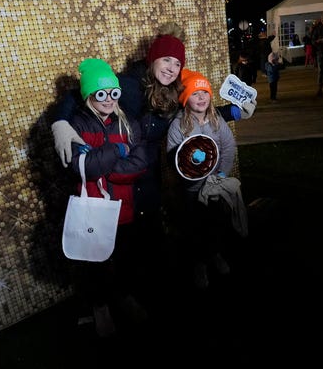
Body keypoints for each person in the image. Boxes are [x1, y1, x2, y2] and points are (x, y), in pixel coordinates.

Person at [51, 29, 255, 300]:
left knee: (144, 240)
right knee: (105, 244)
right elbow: (81, 94)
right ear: (153, 59)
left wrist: (234, 112)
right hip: (115, 176)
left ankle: (144, 296)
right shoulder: (128, 83)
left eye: (177, 63)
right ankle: (105, 302)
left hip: (149, 178)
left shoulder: (175, 90)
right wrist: (61, 122)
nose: (171, 68)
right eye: (166, 60)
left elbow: (199, 110)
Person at [67, 58, 149, 337]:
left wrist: (102, 164)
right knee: (96, 265)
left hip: (123, 206)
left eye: (114, 92)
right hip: (93, 209)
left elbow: (139, 164)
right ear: (90, 95)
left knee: (126, 258)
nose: (109, 100)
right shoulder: (76, 125)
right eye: (101, 94)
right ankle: (100, 307)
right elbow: (84, 169)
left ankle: (124, 297)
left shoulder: (129, 122)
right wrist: (116, 151)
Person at [166, 71, 238, 289]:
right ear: (186, 98)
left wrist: (221, 174)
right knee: (195, 229)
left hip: (215, 185)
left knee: (215, 224)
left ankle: (215, 254)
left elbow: (228, 146)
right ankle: (199, 264)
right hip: (192, 190)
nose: (201, 98)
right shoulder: (178, 125)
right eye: (195, 93)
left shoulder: (216, 119)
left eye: (204, 93)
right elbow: (172, 157)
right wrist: (188, 164)